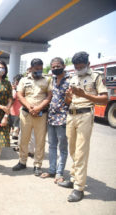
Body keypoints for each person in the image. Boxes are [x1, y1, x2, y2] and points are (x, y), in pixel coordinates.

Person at [58, 52, 108, 202]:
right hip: (71, 114)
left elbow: (104, 99)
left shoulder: (96, 77)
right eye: (76, 67)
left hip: (85, 115)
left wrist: (85, 95)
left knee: (81, 152)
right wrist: (68, 96)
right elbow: (68, 101)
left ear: (88, 64)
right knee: (73, 150)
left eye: (81, 67)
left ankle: (79, 188)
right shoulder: (73, 77)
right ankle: (73, 179)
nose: (79, 69)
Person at [12, 58, 52, 176]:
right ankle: (22, 162)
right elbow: (20, 95)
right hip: (26, 113)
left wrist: (39, 107)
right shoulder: (24, 80)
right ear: (31, 68)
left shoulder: (47, 80)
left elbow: (49, 96)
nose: (38, 71)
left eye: (40, 69)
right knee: (23, 139)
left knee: (40, 141)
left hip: (41, 114)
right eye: (36, 69)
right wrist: (30, 107)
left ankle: (37, 165)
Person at [40, 57, 69, 184]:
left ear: (64, 66)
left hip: (63, 118)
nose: (55, 69)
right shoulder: (51, 80)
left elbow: (71, 99)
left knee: (62, 147)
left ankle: (59, 173)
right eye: (53, 67)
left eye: (58, 66)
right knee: (51, 145)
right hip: (51, 117)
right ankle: (52, 170)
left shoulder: (70, 80)